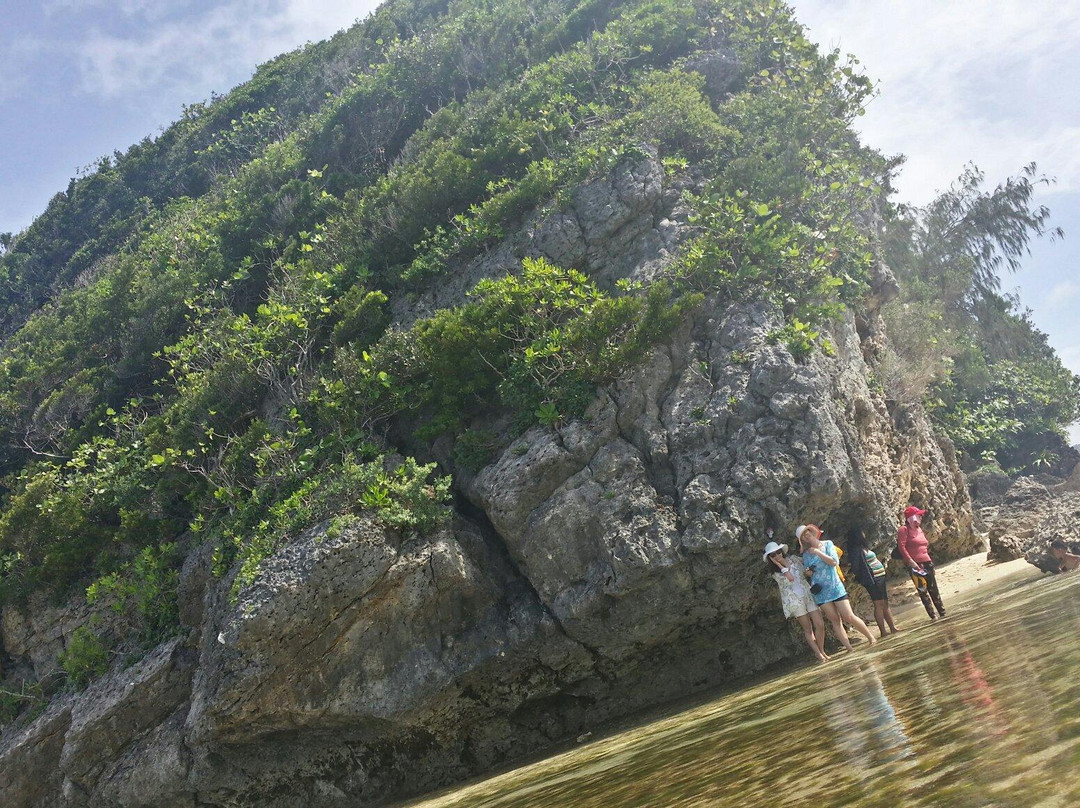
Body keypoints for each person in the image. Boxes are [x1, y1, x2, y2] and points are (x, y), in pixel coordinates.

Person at [797, 524, 876, 650]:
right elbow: (808, 572)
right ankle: (850, 648)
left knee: (848, 616)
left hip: (835, 586)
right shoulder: (806, 555)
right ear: (803, 541)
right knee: (835, 620)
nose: (807, 536)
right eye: (803, 537)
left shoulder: (827, 544)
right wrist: (808, 572)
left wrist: (818, 552)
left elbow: (834, 562)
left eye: (808, 533)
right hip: (820, 591)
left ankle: (871, 638)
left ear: (812, 532)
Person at [764, 539, 829, 662]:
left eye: (778, 552)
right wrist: (779, 564)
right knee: (808, 629)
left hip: (807, 594)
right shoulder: (775, 573)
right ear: (770, 558)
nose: (777, 555)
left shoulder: (794, 559)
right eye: (773, 555)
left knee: (820, 624)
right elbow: (790, 578)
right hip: (794, 601)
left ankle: (821, 650)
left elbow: (806, 564)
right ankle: (819, 654)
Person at [846, 527, 900, 638]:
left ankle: (893, 627)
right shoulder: (856, 551)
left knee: (885, 602)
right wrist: (864, 577)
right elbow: (856, 568)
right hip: (873, 579)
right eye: (862, 532)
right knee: (878, 604)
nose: (864, 534)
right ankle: (883, 631)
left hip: (879, 576)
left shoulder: (862, 548)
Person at [897, 505, 946, 620]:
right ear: (912, 517)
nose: (921, 517)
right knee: (923, 591)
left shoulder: (919, 529)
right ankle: (933, 617)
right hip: (915, 565)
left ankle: (943, 614)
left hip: (927, 562)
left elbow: (924, 546)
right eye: (919, 515)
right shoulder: (903, 530)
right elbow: (902, 547)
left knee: (934, 589)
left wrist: (930, 562)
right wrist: (911, 561)